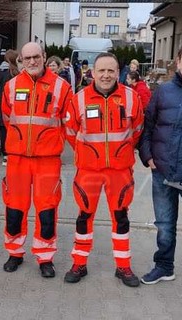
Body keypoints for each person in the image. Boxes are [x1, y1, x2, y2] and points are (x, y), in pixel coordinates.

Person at [65, 52, 144, 287]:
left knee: (121, 219)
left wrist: (120, 154)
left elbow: (138, 129)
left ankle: (124, 267)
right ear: (93, 73)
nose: (106, 75)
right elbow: (70, 132)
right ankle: (79, 263)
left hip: (120, 171)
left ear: (117, 72)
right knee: (84, 217)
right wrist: (89, 154)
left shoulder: (132, 98)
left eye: (111, 70)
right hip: (88, 171)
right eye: (101, 70)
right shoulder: (78, 99)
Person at [1, 42, 73, 278]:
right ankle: (15, 252)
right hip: (18, 159)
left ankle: (45, 257)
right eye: (27, 58)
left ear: (44, 57)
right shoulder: (10, 87)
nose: (32, 62)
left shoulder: (62, 87)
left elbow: (67, 124)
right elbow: (7, 120)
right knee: (14, 209)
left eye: (36, 57)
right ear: (20, 60)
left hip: (47, 161)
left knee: (47, 210)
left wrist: (51, 145)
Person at [138, 47, 182, 285]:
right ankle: (164, 266)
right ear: (178, 61)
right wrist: (148, 156)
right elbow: (147, 126)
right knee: (165, 225)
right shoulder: (163, 92)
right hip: (163, 170)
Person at [0, 49, 19, 166]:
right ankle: (15, 152)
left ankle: (5, 155)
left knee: (4, 128)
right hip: (17, 103)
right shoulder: (18, 72)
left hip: (2, 102)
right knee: (15, 128)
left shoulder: (1, 71)